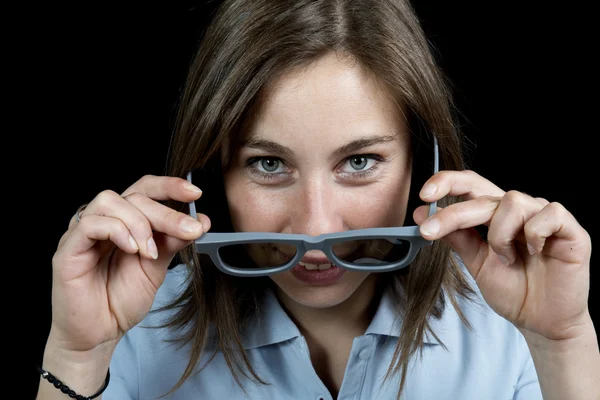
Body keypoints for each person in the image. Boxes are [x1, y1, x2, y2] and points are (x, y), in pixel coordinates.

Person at [36, 0, 599, 399]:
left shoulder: (506, 323)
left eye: (359, 162)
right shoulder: (138, 327)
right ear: (212, 170)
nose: (316, 226)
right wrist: (77, 357)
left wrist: (561, 344)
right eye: (269, 164)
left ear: (422, 164)